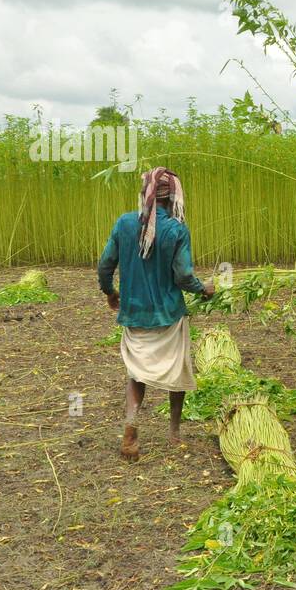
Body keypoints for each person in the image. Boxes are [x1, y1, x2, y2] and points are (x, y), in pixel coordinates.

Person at [98, 167, 214, 461]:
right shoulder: (176, 230)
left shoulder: (124, 223)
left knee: (137, 375)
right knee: (177, 372)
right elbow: (184, 276)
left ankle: (131, 430)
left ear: (146, 194)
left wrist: (111, 292)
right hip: (168, 316)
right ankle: (174, 433)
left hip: (134, 314)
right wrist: (204, 289)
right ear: (173, 197)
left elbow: (105, 266)